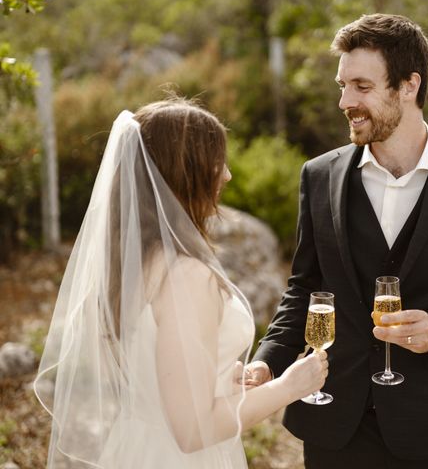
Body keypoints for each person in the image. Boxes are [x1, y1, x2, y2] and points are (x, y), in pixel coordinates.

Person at [245, 14, 428, 468]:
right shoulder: (319, 176)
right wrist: (268, 362)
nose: (344, 101)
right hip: (336, 427)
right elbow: (305, 288)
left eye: (361, 86)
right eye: (342, 85)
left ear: (409, 86)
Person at [34, 98, 328, 469]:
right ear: (187, 170)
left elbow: (157, 373)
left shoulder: (137, 260)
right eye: (218, 161)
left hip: (135, 445)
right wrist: (288, 387)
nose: (227, 176)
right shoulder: (186, 276)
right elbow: (192, 429)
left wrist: (221, 375)